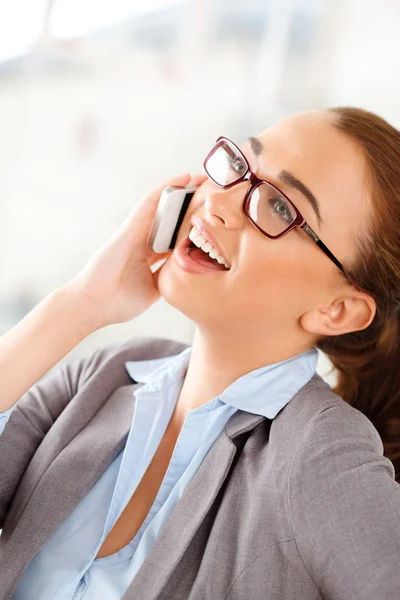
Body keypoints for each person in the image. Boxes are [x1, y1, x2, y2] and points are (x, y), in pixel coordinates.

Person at [0, 107, 399, 600]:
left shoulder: (320, 451)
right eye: (242, 167)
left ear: (337, 309)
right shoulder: (107, 376)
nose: (221, 204)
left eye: (278, 207)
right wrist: (82, 303)